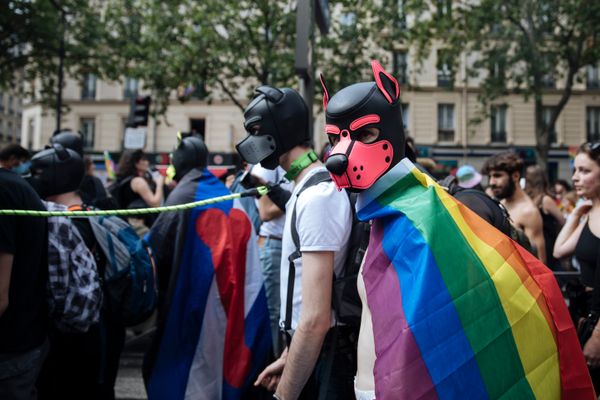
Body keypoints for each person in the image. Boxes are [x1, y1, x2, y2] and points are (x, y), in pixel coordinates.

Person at [322, 60, 592, 398]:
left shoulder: (422, 216)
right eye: (336, 138)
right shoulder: (386, 214)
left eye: (364, 134)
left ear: (390, 131)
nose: (341, 153)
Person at [237, 85, 354, 399]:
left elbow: (316, 318)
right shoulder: (306, 188)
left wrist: (283, 396)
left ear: (280, 130)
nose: (251, 141)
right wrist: (289, 356)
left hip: (328, 357)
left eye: (256, 130)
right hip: (311, 352)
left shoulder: (318, 195)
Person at [144, 135, 271, 399]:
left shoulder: (184, 194)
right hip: (220, 295)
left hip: (194, 297)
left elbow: (156, 249)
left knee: (189, 368)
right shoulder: (219, 193)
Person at [29, 144, 105, 400]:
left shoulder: (63, 222)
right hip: (93, 332)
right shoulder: (93, 212)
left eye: (38, 173)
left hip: (67, 339)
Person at [0, 160, 49, 400]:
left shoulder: (3, 191)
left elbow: (0, 296)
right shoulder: (13, 185)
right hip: (23, 341)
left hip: (10, 351)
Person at [553, 142, 600, 391]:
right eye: (575, 170)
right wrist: (576, 214)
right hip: (588, 318)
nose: (575, 177)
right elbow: (559, 251)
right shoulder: (592, 211)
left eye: (584, 170)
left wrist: (597, 337)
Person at [251, 163, 293, 356]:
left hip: (287, 246)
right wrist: (297, 199)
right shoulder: (266, 166)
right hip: (274, 245)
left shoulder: (293, 162)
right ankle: (274, 366)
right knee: (274, 313)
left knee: (286, 312)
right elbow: (265, 211)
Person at [482, 151, 547, 263]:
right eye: (490, 176)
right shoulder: (501, 203)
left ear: (515, 176)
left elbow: (539, 263)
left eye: (497, 175)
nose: (492, 182)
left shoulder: (529, 212)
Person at [525, 165, 566, 270]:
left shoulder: (538, 200)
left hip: (539, 245)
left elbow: (562, 221)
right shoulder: (541, 199)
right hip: (541, 245)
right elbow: (563, 221)